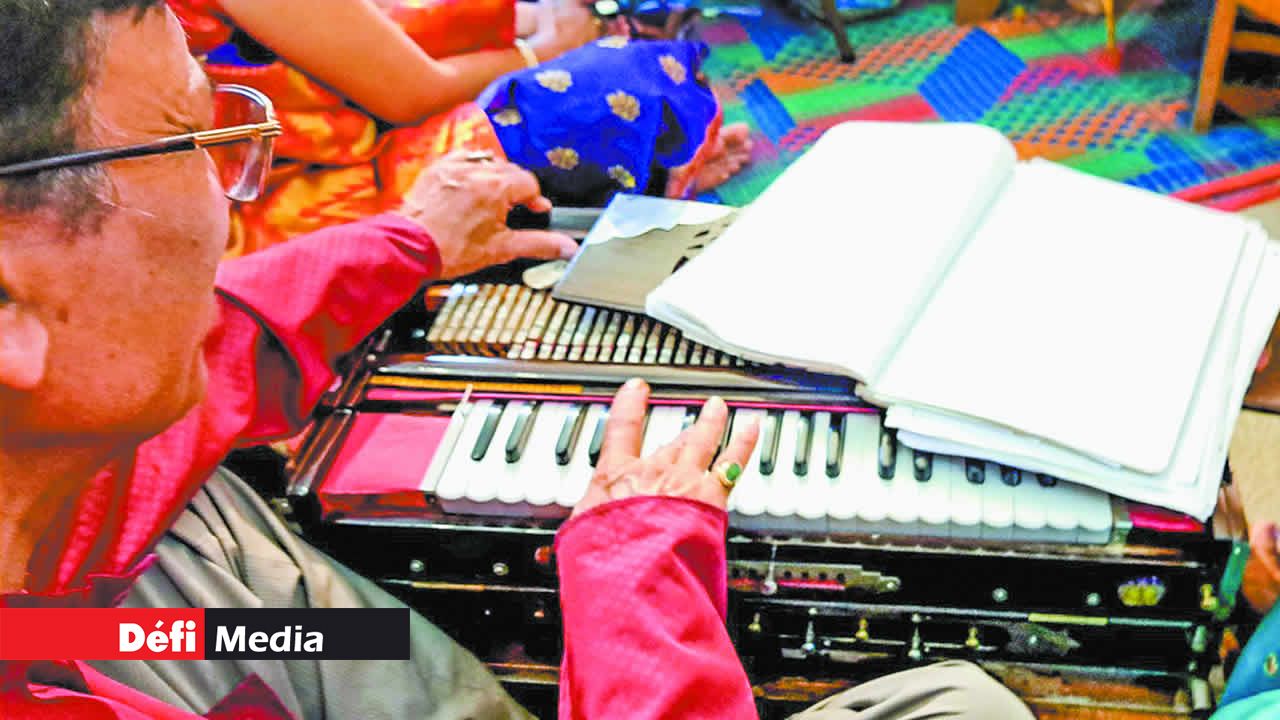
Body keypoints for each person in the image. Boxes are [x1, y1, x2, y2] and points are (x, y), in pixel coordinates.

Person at [0, 2, 1032, 718]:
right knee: (964, 706)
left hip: (123, 637)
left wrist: (407, 243)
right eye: (188, 138)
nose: (230, 207)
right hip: (110, 661)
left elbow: (224, 344)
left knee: (227, 532)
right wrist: (634, 585)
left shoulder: (48, 431)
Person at [166, 0, 753, 256]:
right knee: (615, 88)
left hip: (327, 118)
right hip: (270, 197)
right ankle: (645, 168)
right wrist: (547, 46)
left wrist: (527, 23)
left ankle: (641, 167)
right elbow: (408, 94)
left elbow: (376, 26)